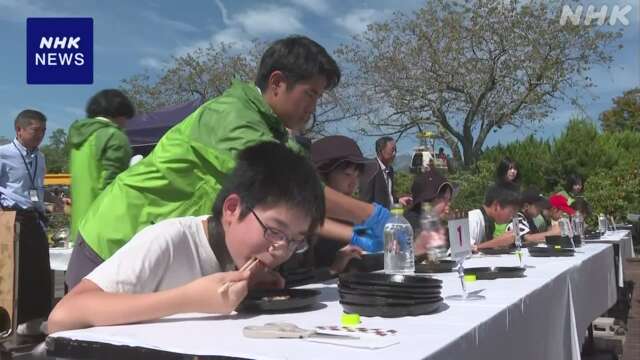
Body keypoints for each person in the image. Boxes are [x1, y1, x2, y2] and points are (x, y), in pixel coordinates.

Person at [65, 36, 389, 289]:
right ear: (277, 83)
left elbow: (295, 206)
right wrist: (372, 215)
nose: (313, 107)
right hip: (115, 242)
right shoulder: (231, 116)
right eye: (310, 94)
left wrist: (353, 233)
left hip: (163, 254)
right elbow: (292, 189)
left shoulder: (276, 135)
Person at [47, 142, 325, 333]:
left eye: (295, 240)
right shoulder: (171, 240)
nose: (280, 250)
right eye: (274, 231)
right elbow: (64, 314)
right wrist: (188, 299)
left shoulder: (239, 257)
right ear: (232, 209)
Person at [0, 110, 53, 335]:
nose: (40, 135)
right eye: (35, 130)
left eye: (43, 130)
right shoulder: (4, 154)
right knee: (14, 273)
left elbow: (36, 189)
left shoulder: (40, 157)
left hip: (35, 219)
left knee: (40, 271)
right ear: (19, 130)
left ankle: (33, 321)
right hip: (12, 218)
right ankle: (13, 320)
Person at [68, 89, 135, 243]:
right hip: (105, 228)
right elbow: (112, 184)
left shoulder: (79, 139)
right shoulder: (114, 136)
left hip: (80, 225)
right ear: (120, 113)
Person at [404, 169, 452, 255]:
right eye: (444, 199)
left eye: (449, 199)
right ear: (427, 201)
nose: (448, 204)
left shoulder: (438, 223)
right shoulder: (408, 226)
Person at [359, 136, 411, 209]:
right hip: (376, 217)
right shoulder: (370, 168)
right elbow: (365, 199)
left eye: (395, 150)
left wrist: (398, 200)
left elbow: (388, 195)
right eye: (392, 150)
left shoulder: (390, 170)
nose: (395, 153)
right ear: (381, 151)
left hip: (390, 215)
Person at [468, 184, 521, 250]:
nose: (512, 216)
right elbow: (467, 250)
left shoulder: (489, 221)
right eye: (512, 211)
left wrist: (501, 243)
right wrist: (497, 242)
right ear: (496, 206)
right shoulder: (473, 219)